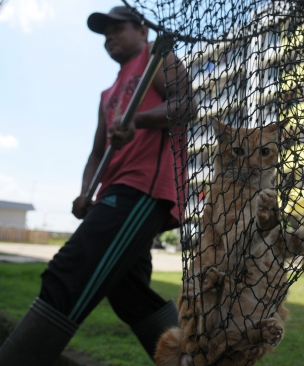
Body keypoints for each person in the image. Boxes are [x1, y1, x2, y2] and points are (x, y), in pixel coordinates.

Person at [0, 6, 195, 365]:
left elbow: (186, 106)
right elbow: (95, 154)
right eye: (104, 33)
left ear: (141, 30)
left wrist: (137, 119)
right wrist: (85, 191)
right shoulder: (107, 94)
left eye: (116, 28)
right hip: (112, 189)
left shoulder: (155, 56)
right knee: (129, 294)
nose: (109, 37)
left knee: (69, 271)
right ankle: (190, 360)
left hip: (143, 189)